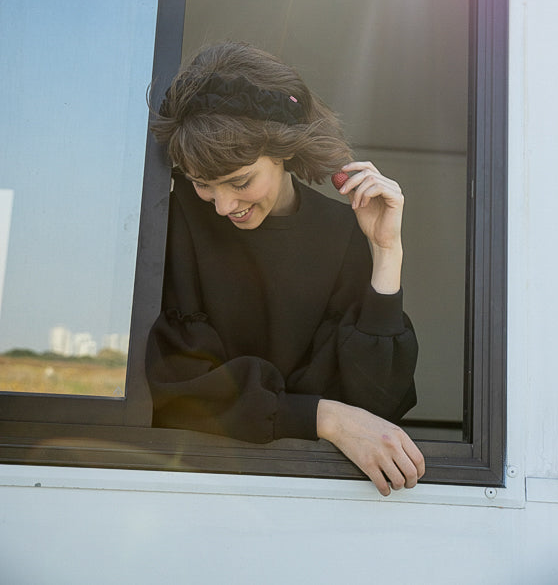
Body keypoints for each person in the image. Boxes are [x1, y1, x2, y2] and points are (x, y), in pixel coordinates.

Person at [145, 41, 425, 496]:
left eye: (240, 181)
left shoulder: (342, 233)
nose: (223, 206)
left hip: (314, 498)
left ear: (284, 152)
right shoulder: (174, 222)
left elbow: (377, 404)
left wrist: (385, 251)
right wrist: (325, 417)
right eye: (202, 184)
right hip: (194, 489)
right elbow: (178, 390)